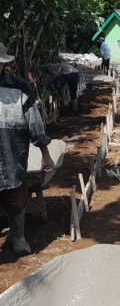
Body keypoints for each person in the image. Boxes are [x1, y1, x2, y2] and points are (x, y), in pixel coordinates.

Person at [0, 43, 54, 254]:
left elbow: (34, 122)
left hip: (12, 153)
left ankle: (18, 236)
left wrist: (45, 154)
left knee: (15, 198)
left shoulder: (20, 87)